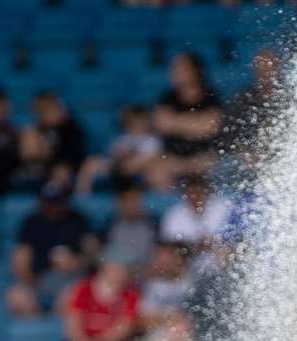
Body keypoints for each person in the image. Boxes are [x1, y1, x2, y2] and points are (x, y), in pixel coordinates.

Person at [6, 179, 97, 317]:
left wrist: (76, 262)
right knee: (16, 296)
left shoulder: (79, 220)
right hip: (39, 282)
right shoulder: (31, 222)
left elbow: (94, 255)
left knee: (69, 296)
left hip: (72, 281)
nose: (53, 206)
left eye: (57, 201)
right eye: (49, 201)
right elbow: (20, 258)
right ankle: (36, 333)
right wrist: (29, 278)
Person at [46, 260, 140, 341]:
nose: (120, 274)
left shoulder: (131, 295)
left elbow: (124, 328)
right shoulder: (83, 288)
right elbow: (74, 319)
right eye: (117, 269)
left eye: (123, 270)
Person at [156, 51, 224, 181]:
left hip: (204, 157)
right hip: (173, 159)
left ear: (195, 70)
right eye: (174, 69)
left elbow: (211, 127)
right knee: (157, 172)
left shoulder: (211, 97)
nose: (175, 73)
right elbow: (162, 125)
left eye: (180, 68)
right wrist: (195, 123)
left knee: (213, 165)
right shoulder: (166, 98)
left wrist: (176, 122)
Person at [77, 104, 163, 195]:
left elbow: (152, 157)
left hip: (142, 169)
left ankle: (159, 196)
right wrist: (122, 155)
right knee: (91, 162)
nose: (136, 125)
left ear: (147, 123)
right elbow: (113, 155)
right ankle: (82, 197)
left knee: (154, 170)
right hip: (118, 167)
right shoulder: (124, 139)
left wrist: (131, 157)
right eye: (132, 122)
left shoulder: (152, 140)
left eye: (140, 122)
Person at [160, 173, 233, 271]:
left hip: (219, 263)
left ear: (208, 192)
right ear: (185, 194)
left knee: (227, 249)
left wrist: (211, 242)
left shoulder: (224, 207)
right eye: (191, 193)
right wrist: (194, 245)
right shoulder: (174, 214)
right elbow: (169, 245)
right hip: (186, 266)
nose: (196, 197)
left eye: (200, 193)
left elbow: (235, 236)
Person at [19, 90, 88, 189]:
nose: (41, 114)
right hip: (41, 168)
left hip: (67, 167)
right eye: (39, 110)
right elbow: (28, 155)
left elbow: (75, 156)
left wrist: (48, 154)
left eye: (45, 109)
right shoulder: (34, 130)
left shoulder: (73, 129)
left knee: (61, 171)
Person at [101, 180, 158, 277]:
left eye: (136, 200)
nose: (133, 205)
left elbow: (157, 255)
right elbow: (104, 256)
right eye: (128, 200)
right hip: (117, 275)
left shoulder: (153, 224)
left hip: (146, 275)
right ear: (120, 203)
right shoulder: (109, 225)